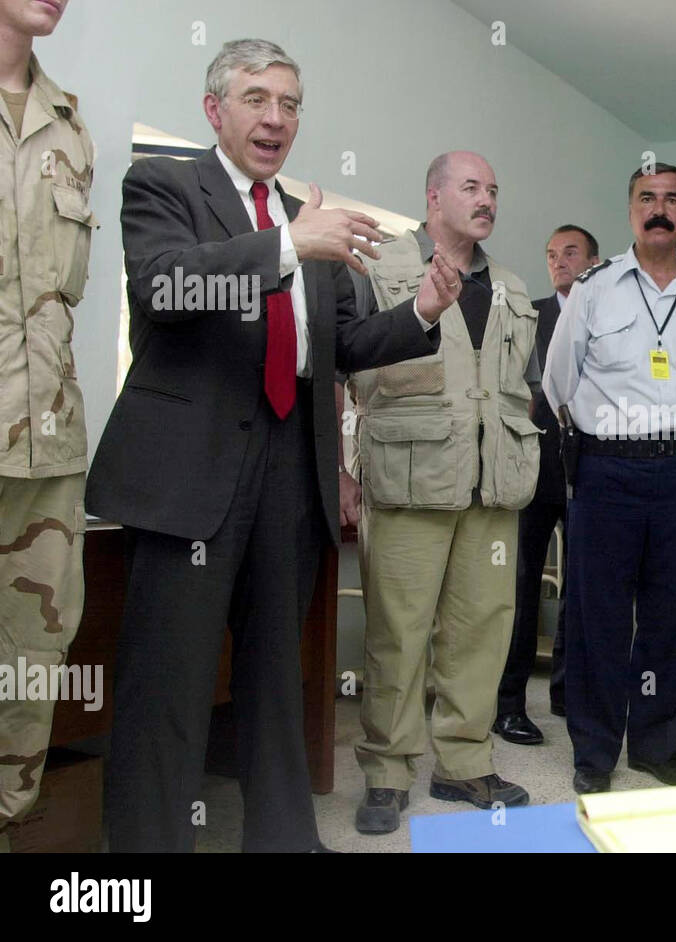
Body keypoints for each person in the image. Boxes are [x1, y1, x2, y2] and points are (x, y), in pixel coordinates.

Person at [86, 39, 459, 853]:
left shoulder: (304, 220)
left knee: (275, 682)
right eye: (257, 99)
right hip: (190, 473)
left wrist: (423, 312)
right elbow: (169, 286)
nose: (276, 117)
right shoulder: (164, 184)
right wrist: (292, 244)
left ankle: (285, 840)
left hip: (291, 470)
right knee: (169, 687)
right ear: (215, 110)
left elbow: (342, 343)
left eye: (290, 104)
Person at [345, 151, 538, 833]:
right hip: (409, 479)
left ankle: (463, 764)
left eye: (493, 189)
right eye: (471, 187)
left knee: (482, 628)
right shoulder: (381, 267)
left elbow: (518, 389)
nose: (486, 199)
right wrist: (344, 470)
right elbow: (347, 369)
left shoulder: (513, 289)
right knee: (398, 631)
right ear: (433, 197)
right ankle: (387, 771)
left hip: (491, 486)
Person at [543, 162, 676, 794]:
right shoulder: (596, 287)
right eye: (647, 198)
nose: (659, 208)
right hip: (607, 472)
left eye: (672, 199)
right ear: (631, 211)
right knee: (598, 615)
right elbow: (557, 379)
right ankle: (594, 755)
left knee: (673, 612)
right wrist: (608, 434)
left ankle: (658, 745)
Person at [0, 0, 95, 854]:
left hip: (49, 433)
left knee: (37, 645)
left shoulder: (72, 130)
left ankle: (11, 821)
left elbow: (64, 296)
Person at [494, 224, 599, 745]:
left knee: (583, 587)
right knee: (521, 587)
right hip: (531, 466)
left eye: (570, 253)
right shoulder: (528, 314)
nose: (558, 262)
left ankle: (568, 691)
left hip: (593, 469)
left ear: (594, 261)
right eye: (551, 253)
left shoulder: (609, 314)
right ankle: (508, 703)